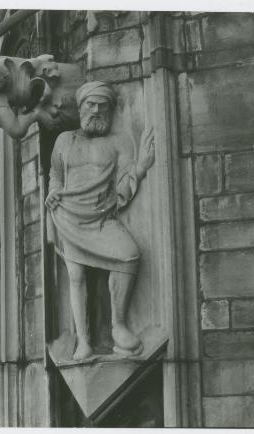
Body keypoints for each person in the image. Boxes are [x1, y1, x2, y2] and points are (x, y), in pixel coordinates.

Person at [46, 81, 155, 360]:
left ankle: (119, 325)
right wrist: (53, 192)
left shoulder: (119, 142)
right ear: (81, 108)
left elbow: (124, 181)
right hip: (68, 214)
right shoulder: (64, 140)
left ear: (109, 109)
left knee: (129, 255)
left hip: (101, 216)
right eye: (90, 105)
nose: (95, 111)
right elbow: (55, 174)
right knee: (77, 276)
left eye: (101, 106)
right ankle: (84, 342)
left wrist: (141, 166)